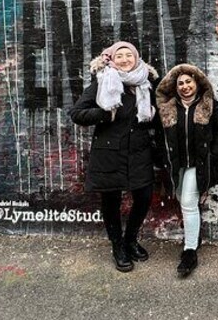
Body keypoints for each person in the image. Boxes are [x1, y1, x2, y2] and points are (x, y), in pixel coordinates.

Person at [68, 41, 158, 273]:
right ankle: (118, 246)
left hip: (139, 151)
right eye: (120, 56)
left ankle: (130, 240)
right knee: (111, 201)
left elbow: (157, 115)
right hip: (109, 153)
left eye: (130, 55)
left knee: (144, 196)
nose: (125, 59)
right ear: (111, 59)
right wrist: (105, 113)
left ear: (136, 58)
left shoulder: (146, 83)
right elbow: (77, 113)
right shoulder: (102, 81)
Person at [155, 64, 218, 277]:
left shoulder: (208, 106)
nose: (185, 86)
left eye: (189, 82)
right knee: (181, 198)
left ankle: (189, 251)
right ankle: (194, 239)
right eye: (180, 83)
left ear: (197, 83)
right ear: (174, 87)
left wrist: (212, 156)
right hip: (176, 165)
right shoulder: (168, 107)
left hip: (198, 165)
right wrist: (163, 157)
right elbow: (160, 136)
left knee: (187, 201)